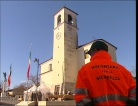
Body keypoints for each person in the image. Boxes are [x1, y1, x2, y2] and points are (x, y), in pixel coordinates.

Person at [74, 40, 136, 106]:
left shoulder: (84, 70)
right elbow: (134, 94)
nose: (90, 56)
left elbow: (81, 98)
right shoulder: (124, 70)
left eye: (90, 54)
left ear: (94, 51)